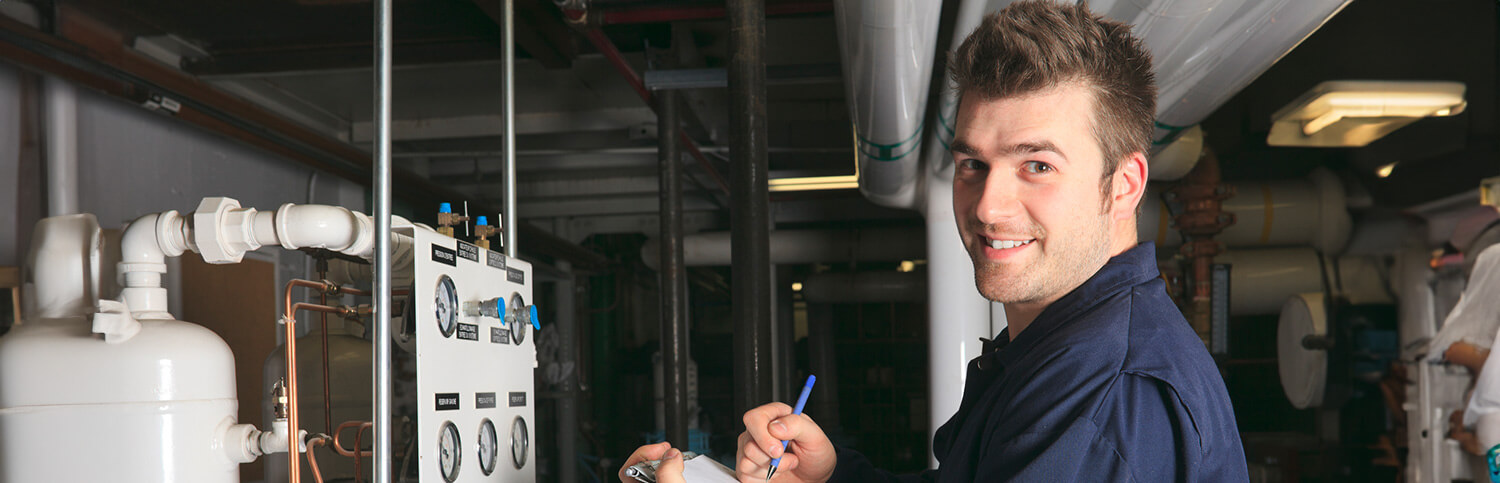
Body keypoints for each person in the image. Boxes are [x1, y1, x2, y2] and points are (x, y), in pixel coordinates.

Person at [622, 1, 1248, 481]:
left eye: (1037, 165)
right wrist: (835, 476)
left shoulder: (1107, 398)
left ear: (1125, 183)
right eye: (973, 163)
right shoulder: (1059, 351)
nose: (988, 206)